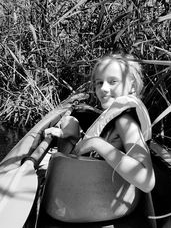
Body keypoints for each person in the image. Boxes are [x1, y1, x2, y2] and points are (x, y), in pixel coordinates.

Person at [44, 54, 156, 227]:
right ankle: (68, 133)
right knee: (71, 121)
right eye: (99, 82)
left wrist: (96, 143)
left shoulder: (125, 121)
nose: (103, 88)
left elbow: (146, 180)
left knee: (72, 123)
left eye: (113, 82)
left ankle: (69, 135)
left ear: (131, 84)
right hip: (91, 202)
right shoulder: (117, 117)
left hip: (92, 206)